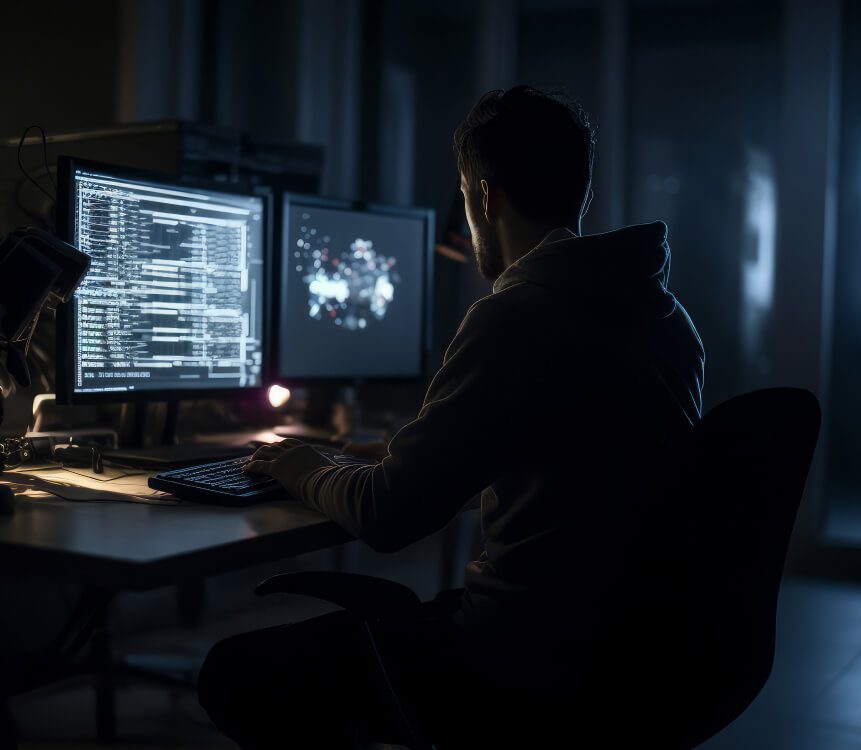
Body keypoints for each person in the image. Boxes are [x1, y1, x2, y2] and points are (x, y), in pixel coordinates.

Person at [198, 85, 705, 748]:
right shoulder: (665, 318)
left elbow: (388, 515)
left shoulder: (517, 315)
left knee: (237, 675)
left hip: (522, 664)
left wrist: (302, 464)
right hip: (636, 657)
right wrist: (404, 451)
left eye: (465, 201)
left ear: (485, 198)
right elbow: (571, 466)